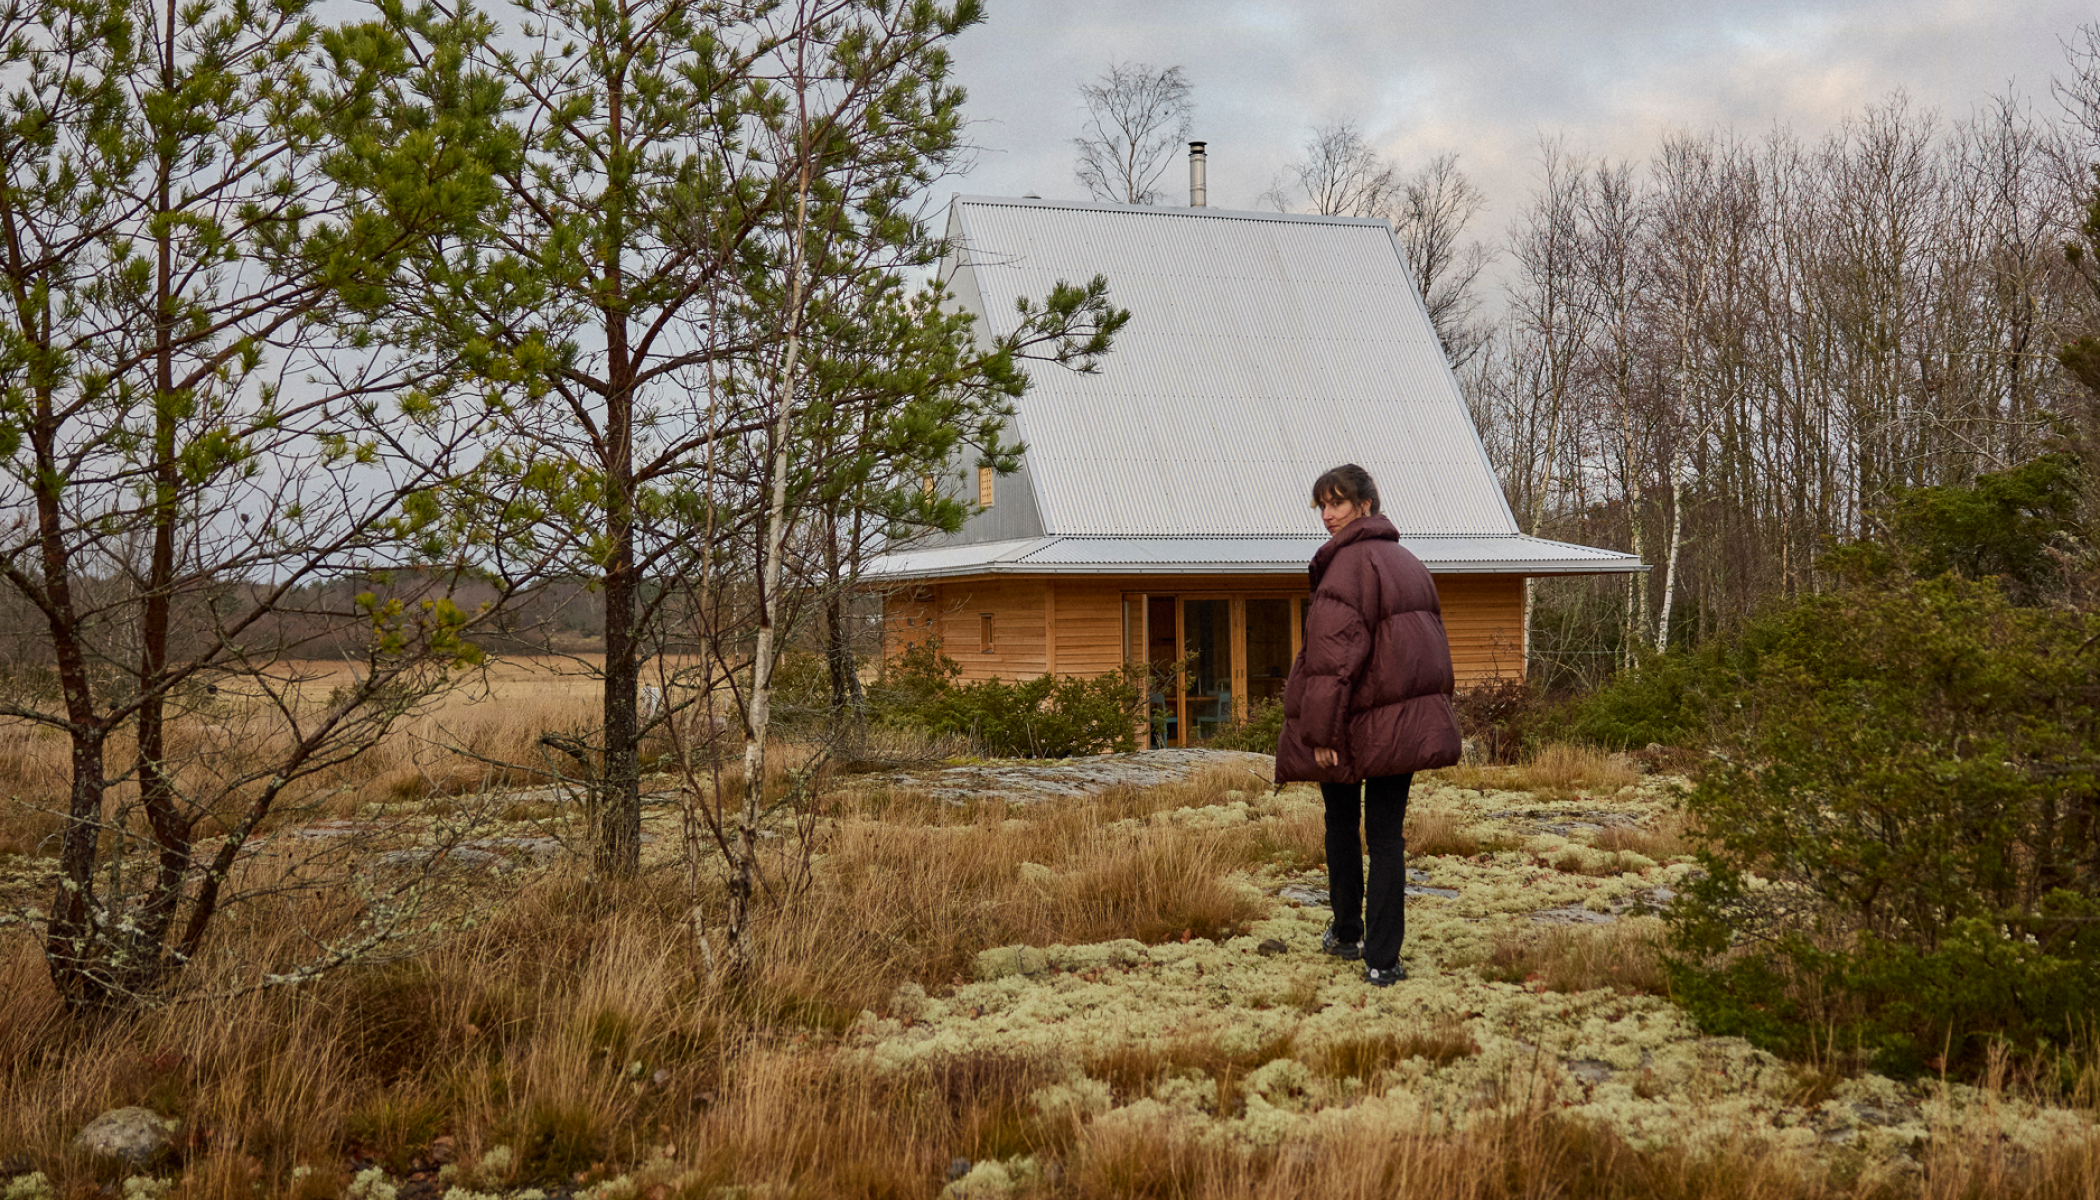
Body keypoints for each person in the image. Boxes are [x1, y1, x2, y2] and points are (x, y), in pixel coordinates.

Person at [1274, 464, 1462, 986]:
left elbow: (1332, 663)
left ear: (1365, 504)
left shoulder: (1344, 569)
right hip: (1402, 728)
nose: (1328, 516)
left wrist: (1324, 735)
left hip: (1353, 727)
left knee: (1342, 825)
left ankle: (1350, 933)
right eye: (1322, 506)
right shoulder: (1409, 562)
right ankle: (1384, 960)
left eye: (1337, 503)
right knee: (1386, 839)